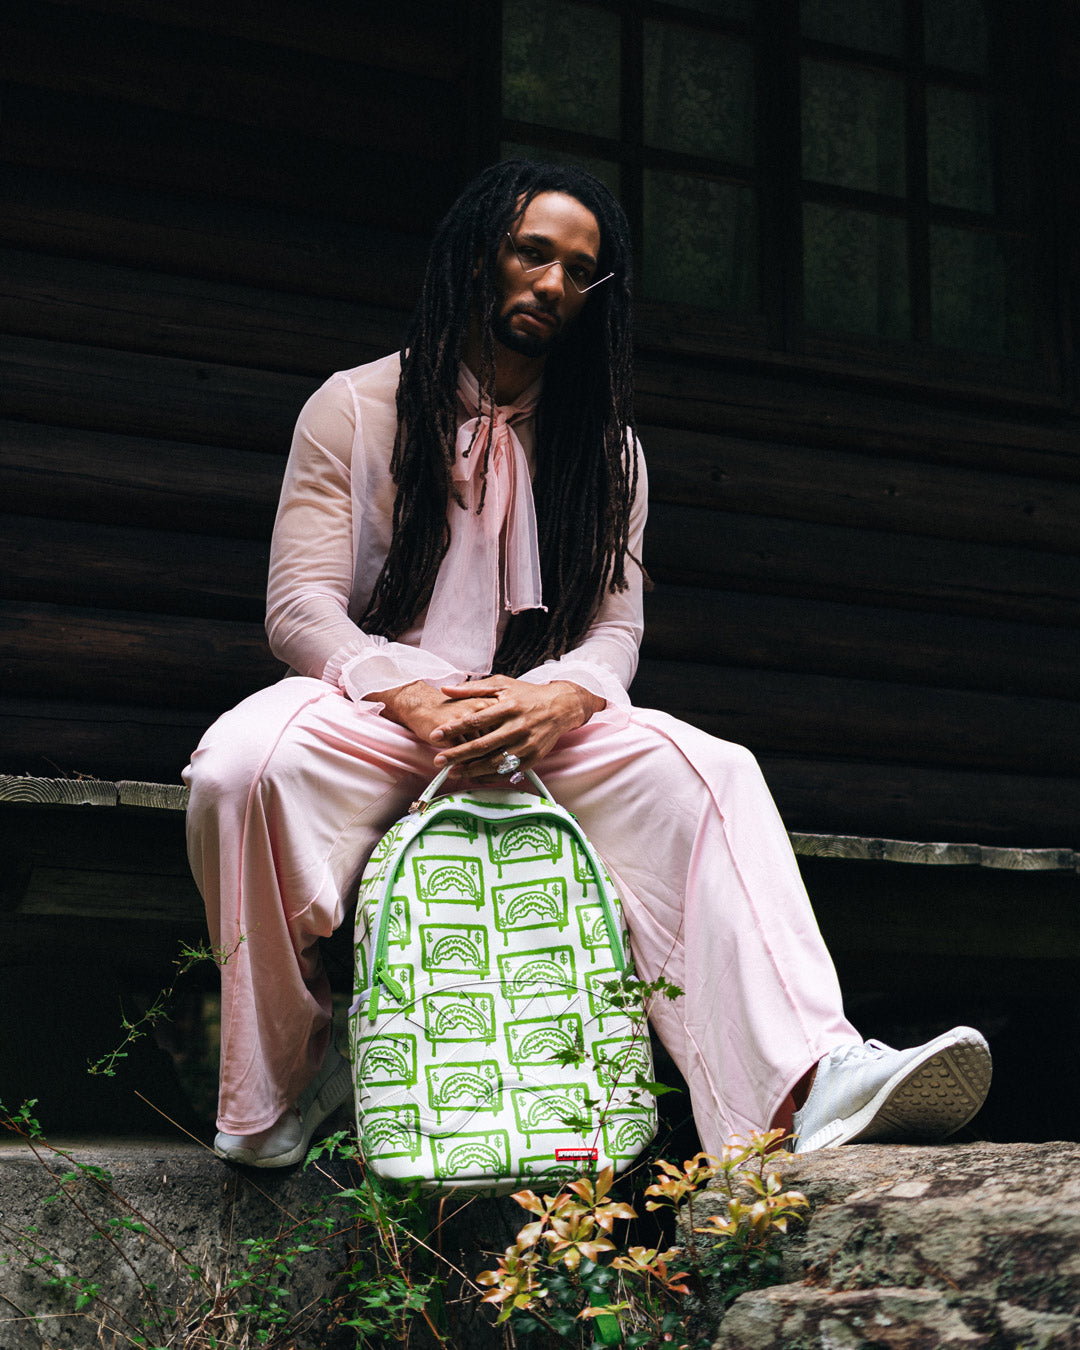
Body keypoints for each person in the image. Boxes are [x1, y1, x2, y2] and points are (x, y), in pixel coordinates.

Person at [183, 160, 991, 1168]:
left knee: (713, 773)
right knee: (240, 770)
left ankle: (812, 1079)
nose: (554, 283)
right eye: (533, 254)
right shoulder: (354, 406)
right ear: (478, 256)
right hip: (377, 710)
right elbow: (300, 606)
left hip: (537, 724)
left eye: (579, 270)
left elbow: (615, 635)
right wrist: (407, 692)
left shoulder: (610, 453)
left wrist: (559, 700)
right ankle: (278, 1091)